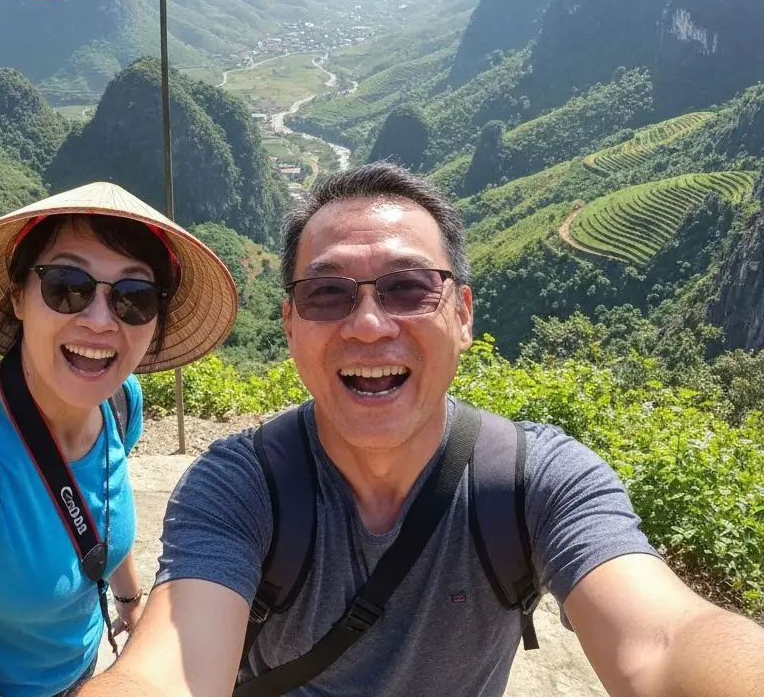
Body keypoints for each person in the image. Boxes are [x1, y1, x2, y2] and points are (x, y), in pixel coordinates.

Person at [80, 162, 764, 697]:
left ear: (462, 314)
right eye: (327, 294)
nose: (370, 325)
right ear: (289, 326)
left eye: (409, 288)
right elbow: (169, 670)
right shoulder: (240, 488)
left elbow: (666, 641)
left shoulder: (535, 481)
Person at [0, 181, 238, 697]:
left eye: (133, 298)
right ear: (18, 295)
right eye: (67, 286)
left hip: (88, 677)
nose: (99, 321)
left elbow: (97, 510)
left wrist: (130, 601)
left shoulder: (119, 401)